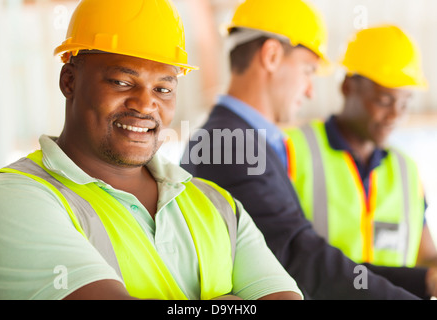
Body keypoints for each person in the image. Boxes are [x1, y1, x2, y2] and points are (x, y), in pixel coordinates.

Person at [0, 0, 303, 300]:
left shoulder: (218, 205)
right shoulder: (13, 199)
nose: (145, 104)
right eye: (122, 82)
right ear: (69, 81)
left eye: (163, 89)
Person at [181, 0, 437, 299]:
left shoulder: (241, 140)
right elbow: (298, 256)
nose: (311, 90)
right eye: (308, 70)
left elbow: (302, 255)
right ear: (272, 56)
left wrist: (423, 282)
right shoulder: (229, 144)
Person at [284, 24, 437, 269]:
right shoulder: (292, 150)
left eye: (404, 103)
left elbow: (426, 257)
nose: (395, 115)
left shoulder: (406, 170)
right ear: (347, 87)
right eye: (384, 100)